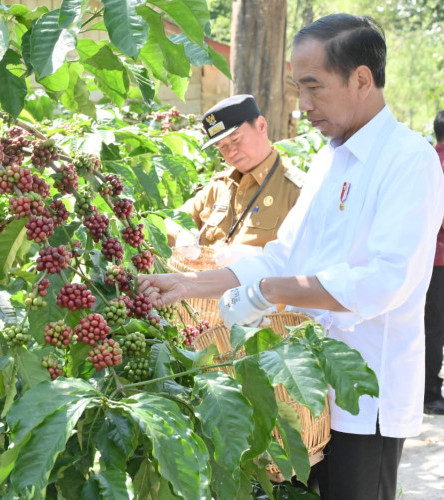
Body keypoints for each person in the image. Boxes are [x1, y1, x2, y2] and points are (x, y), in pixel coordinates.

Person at [141, 14, 444, 500]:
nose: (302, 106)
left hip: (364, 399)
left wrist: (266, 293)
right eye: (297, 88)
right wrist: (193, 284)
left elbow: (385, 281)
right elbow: (285, 253)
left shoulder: (408, 160)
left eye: (313, 88)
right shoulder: (330, 157)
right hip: (303, 389)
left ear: (361, 79)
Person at [166, 94, 304, 266]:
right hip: (205, 290)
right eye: (222, 146)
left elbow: (309, 258)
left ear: (261, 126)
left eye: (236, 139)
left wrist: (260, 257)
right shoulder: (220, 187)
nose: (231, 152)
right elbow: (173, 220)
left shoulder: (297, 191)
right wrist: (182, 235)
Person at [424, 110, 444, 415]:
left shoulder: (429, 160)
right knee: (435, 328)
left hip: (431, 258)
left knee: (431, 326)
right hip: (440, 259)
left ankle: (428, 390)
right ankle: (429, 393)